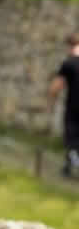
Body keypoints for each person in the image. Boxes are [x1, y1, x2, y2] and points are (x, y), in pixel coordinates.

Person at [48, 31, 79, 176]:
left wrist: (51, 101)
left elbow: (56, 86)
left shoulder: (69, 63)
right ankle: (68, 168)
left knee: (71, 139)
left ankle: (72, 163)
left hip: (74, 107)